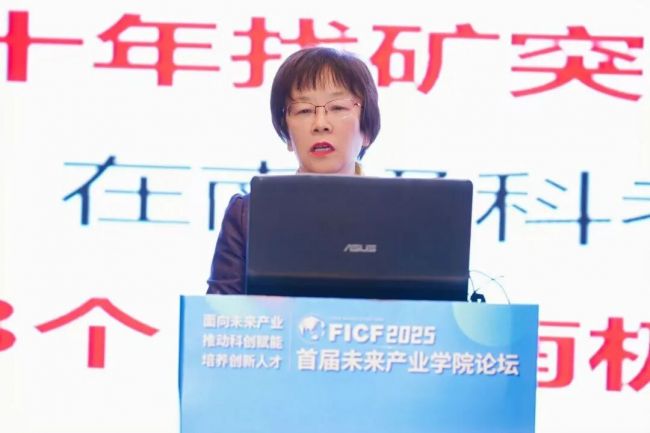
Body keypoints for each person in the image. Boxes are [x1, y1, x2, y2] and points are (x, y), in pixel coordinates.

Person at [207, 46, 381, 294]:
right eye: (304, 110)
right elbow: (219, 309)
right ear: (287, 134)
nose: (320, 124)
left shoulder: (397, 215)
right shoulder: (249, 215)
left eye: (338, 108)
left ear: (367, 130)